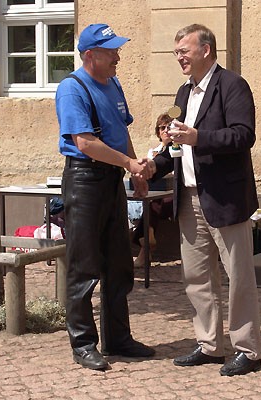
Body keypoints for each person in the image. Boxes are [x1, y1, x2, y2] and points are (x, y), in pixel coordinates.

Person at [149, 24, 261, 376]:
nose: (179, 57)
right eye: (176, 52)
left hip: (225, 197)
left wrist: (199, 137)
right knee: (197, 277)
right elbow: (178, 145)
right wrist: (153, 164)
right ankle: (210, 345)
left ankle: (247, 350)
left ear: (207, 50)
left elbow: (243, 136)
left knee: (238, 276)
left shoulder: (232, 86)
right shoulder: (184, 93)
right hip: (188, 196)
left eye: (185, 50)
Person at [55, 23, 155, 371]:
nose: (117, 56)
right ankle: (83, 343)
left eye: (117, 49)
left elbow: (119, 128)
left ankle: (119, 338)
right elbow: (85, 142)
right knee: (84, 266)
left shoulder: (112, 83)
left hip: (111, 178)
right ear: (89, 55)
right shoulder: (72, 88)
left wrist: (134, 172)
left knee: (118, 262)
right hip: (84, 180)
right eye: (110, 51)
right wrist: (128, 162)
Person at [131, 112, 174, 267]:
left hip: (173, 195)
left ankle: (145, 248)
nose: (165, 131)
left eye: (169, 127)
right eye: (162, 128)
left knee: (154, 203)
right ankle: (147, 242)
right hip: (156, 194)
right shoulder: (152, 152)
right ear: (158, 132)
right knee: (152, 202)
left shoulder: (178, 150)